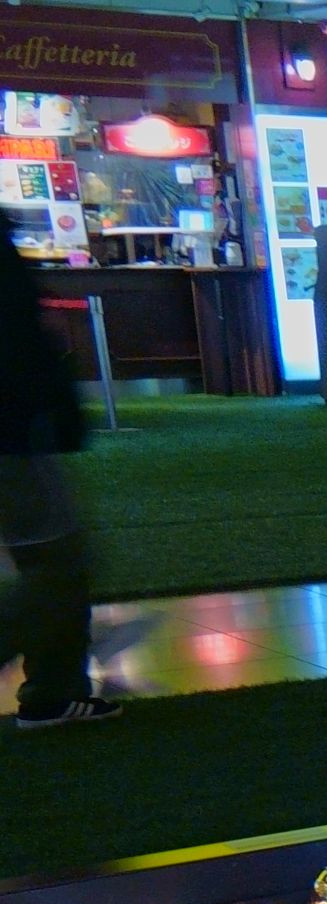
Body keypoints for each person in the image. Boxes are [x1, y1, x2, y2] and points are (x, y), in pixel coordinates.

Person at [0, 231, 111, 729]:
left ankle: (54, 691)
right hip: (14, 428)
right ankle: (52, 690)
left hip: (18, 424)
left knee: (48, 559)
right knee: (59, 566)